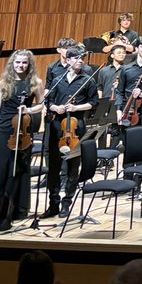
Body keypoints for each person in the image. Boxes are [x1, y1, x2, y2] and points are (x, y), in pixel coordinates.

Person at [0, 50, 45, 231]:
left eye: (24, 63)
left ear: (29, 64)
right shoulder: (4, 82)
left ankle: (9, 215)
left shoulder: (36, 83)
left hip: (22, 131)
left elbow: (41, 104)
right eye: (17, 62)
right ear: (12, 63)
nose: (20, 66)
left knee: (15, 173)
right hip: (2, 130)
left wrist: (29, 110)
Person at [42, 47, 98, 218]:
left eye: (83, 58)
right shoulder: (58, 80)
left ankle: (67, 202)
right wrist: (54, 108)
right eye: (77, 58)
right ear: (68, 60)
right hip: (57, 126)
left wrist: (76, 107)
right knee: (54, 166)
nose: (81, 61)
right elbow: (48, 100)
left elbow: (93, 103)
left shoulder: (88, 81)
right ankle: (53, 203)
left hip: (76, 127)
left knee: (73, 167)